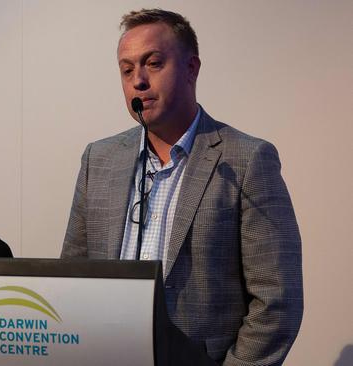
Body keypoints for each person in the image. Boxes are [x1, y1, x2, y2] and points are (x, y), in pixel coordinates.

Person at [61, 9, 302, 365]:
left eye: (153, 63)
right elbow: (72, 277)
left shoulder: (246, 160)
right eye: (127, 70)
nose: (138, 80)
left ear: (192, 68)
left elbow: (277, 300)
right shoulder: (99, 160)